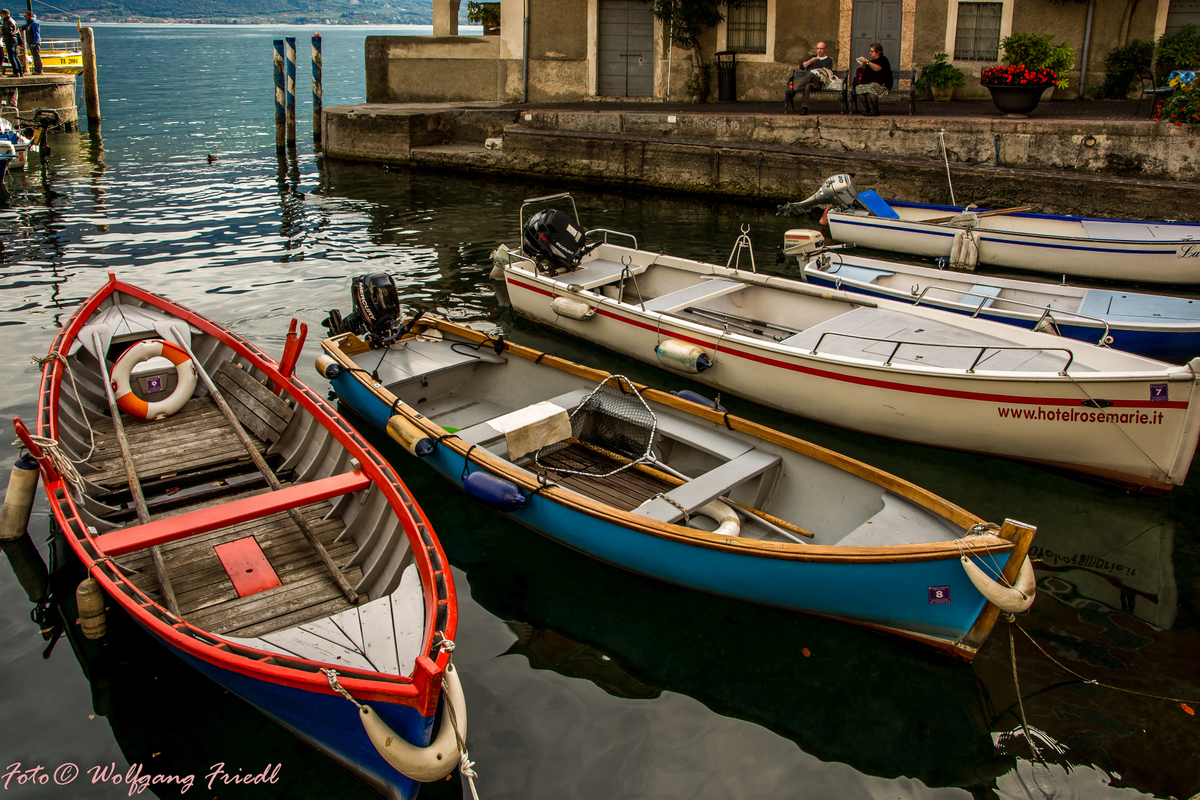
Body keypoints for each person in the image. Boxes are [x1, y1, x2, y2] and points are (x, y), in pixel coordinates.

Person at [784, 41, 833, 115]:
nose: (819, 50)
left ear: (825, 49)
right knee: (807, 85)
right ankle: (804, 108)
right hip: (808, 82)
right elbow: (801, 67)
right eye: (818, 48)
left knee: (812, 73)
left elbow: (828, 73)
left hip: (819, 82)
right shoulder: (811, 57)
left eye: (821, 49)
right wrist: (811, 61)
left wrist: (817, 72)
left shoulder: (828, 60)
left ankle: (795, 90)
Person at [853, 43, 892, 116]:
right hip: (870, 83)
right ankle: (868, 109)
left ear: (878, 52)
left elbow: (877, 68)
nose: (870, 52)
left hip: (882, 84)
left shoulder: (883, 60)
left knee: (871, 88)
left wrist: (867, 62)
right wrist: (863, 65)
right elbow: (868, 71)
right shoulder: (871, 62)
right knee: (858, 88)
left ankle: (875, 110)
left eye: (872, 51)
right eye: (870, 51)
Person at [0, 10, 22, 78]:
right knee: (15, 56)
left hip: (10, 39)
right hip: (14, 40)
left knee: (11, 56)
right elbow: (17, 32)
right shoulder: (12, 21)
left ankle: (16, 72)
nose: (1, 15)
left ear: (6, 14)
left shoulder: (8, 21)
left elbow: (9, 32)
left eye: (2, 14)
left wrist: (2, 31)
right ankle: (20, 72)